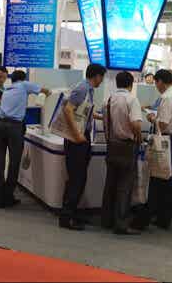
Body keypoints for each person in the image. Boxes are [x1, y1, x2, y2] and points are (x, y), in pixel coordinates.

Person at [0, 71, 51, 208]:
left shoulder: (7, 89)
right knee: (14, 162)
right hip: (14, 127)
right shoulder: (24, 85)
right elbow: (46, 91)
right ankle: (8, 197)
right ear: (23, 79)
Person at [59, 64, 107, 231]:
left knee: (79, 178)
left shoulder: (88, 89)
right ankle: (66, 217)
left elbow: (84, 111)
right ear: (97, 76)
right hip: (76, 139)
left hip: (81, 137)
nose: (102, 81)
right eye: (102, 77)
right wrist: (77, 134)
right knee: (76, 178)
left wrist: (102, 117)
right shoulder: (82, 88)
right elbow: (68, 110)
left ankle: (71, 212)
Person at [134, 69, 172, 230]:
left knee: (158, 180)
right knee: (165, 181)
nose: (156, 86)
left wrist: (152, 118)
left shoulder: (167, 97)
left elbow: (163, 124)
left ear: (160, 81)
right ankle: (163, 218)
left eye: (156, 82)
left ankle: (149, 218)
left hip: (165, 141)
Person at [101, 72, 143, 235]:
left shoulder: (108, 100)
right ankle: (121, 224)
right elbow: (136, 125)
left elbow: (105, 123)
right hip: (127, 146)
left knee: (110, 184)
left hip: (112, 145)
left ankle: (106, 220)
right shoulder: (132, 100)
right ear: (131, 84)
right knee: (125, 186)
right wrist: (139, 138)